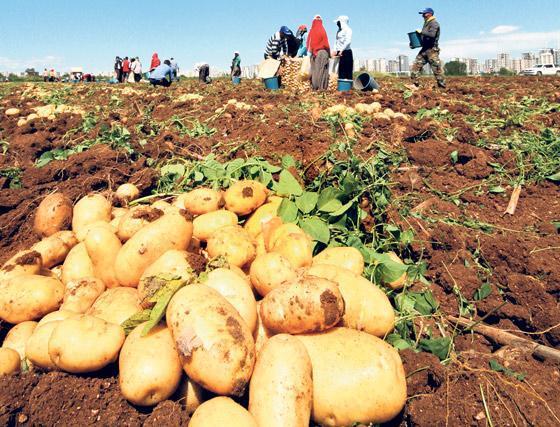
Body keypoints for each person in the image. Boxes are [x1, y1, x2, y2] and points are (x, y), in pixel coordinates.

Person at [410, 7, 446, 88]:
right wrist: (414, 44)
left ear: (430, 14)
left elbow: (432, 35)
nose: (422, 16)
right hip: (424, 50)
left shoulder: (434, 23)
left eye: (424, 14)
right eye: (422, 14)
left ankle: (442, 87)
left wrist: (421, 32)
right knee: (416, 66)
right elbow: (424, 37)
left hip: (432, 50)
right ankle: (415, 85)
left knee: (436, 69)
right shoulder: (426, 24)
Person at [307, 16, 330, 90]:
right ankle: (322, 88)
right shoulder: (322, 30)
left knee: (315, 71)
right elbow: (326, 44)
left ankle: (315, 88)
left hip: (314, 54)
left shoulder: (312, 31)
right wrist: (329, 54)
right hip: (322, 53)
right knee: (322, 71)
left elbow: (308, 43)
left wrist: (311, 53)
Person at [333, 16, 353, 80]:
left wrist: (341, 50)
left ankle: (347, 87)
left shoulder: (348, 30)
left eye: (338, 22)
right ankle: (341, 87)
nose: (337, 24)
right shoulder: (339, 31)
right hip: (339, 52)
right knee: (339, 71)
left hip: (346, 52)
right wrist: (334, 50)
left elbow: (348, 41)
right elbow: (336, 41)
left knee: (347, 71)